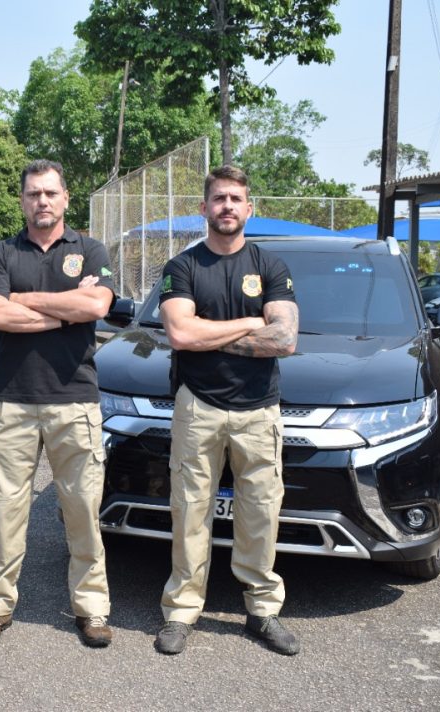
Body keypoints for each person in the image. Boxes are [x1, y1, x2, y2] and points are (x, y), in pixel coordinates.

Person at [153, 165, 300, 656]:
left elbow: (284, 338)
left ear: (249, 208)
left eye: (236, 199)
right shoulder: (183, 267)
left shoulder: (271, 266)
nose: (227, 207)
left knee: (260, 513)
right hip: (198, 407)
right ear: (204, 208)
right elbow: (180, 333)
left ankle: (262, 611)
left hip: (259, 411)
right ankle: (181, 612)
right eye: (219, 198)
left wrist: (209, 334)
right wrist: (249, 323)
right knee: (189, 512)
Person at [0, 159, 116, 648]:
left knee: (82, 509)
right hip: (12, 401)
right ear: (22, 200)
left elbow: (97, 306)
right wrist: (66, 311)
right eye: (33, 194)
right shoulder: (1, 253)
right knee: (5, 511)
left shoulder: (90, 250)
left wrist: (24, 299)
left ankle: (91, 608)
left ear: (66, 198)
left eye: (51, 193)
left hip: (74, 400)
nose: (42, 201)